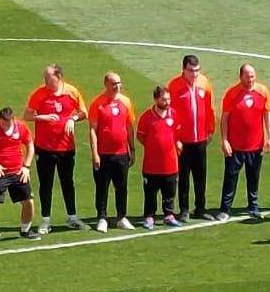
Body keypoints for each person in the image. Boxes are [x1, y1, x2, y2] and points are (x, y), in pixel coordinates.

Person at [24, 63, 87, 233]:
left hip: (66, 147)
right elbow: (27, 115)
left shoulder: (72, 92)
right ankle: (45, 220)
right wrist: (42, 117)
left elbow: (83, 112)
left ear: (58, 77)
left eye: (48, 77)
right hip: (44, 147)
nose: (45, 80)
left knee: (68, 182)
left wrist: (72, 119)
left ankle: (72, 217)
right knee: (46, 184)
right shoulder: (39, 94)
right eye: (45, 77)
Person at [218, 64, 270, 220]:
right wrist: (225, 140)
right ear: (240, 76)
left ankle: (253, 207)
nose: (251, 79)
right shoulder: (232, 94)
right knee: (230, 178)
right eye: (248, 76)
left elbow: (267, 114)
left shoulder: (262, 92)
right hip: (235, 146)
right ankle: (225, 209)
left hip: (256, 146)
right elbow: (225, 118)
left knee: (253, 178)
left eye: (253, 76)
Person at [167, 55, 215, 221]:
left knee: (201, 175)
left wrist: (210, 130)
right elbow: (170, 114)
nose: (194, 74)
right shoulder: (174, 86)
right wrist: (175, 138)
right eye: (191, 71)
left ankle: (200, 208)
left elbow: (209, 108)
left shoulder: (204, 82)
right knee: (184, 176)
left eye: (197, 70)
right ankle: (184, 209)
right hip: (183, 140)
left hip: (201, 138)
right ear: (183, 69)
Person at [86, 72, 136, 232]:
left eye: (119, 83)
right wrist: (95, 153)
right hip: (103, 154)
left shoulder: (125, 102)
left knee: (122, 187)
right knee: (102, 187)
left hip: (121, 153)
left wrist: (132, 149)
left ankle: (121, 217)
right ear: (106, 84)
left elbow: (129, 127)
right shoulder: (98, 104)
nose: (117, 86)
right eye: (114, 83)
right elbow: (93, 129)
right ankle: (102, 217)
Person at [0, 107, 37, 246]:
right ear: (0, 120)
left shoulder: (21, 128)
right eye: (3, 123)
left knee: (28, 202)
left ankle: (25, 230)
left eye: (8, 123)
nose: (5, 126)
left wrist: (26, 167)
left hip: (18, 172)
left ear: (13, 119)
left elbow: (30, 145)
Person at [137, 86, 182, 228]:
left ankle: (168, 215)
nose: (167, 102)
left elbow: (177, 134)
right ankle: (149, 216)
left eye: (169, 99)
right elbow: (140, 137)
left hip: (171, 164)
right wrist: (153, 147)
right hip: (151, 165)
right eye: (164, 99)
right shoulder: (146, 117)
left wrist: (178, 143)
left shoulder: (174, 114)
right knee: (150, 193)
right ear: (156, 99)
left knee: (169, 192)